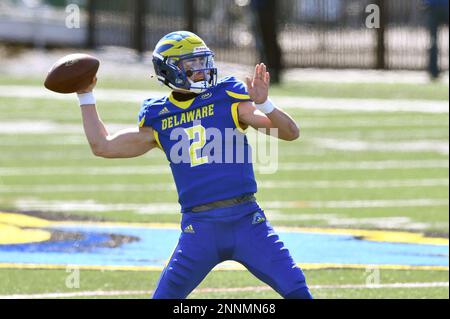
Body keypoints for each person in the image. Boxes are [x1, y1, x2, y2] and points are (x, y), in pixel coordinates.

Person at [75, 31, 312, 299]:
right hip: (199, 229)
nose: (202, 69)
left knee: (297, 290)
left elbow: (290, 132)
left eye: (203, 61)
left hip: (247, 220)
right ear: (169, 69)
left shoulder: (228, 97)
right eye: (192, 64)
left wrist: (265, 104)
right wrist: (85, 96)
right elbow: (103, 145)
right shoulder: (158, 116)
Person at [423, 0, 449, 79]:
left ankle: (433, 72)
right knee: (433, 41)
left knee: (433, 41)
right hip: (435, 7)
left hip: (437, 7)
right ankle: (433, 71)